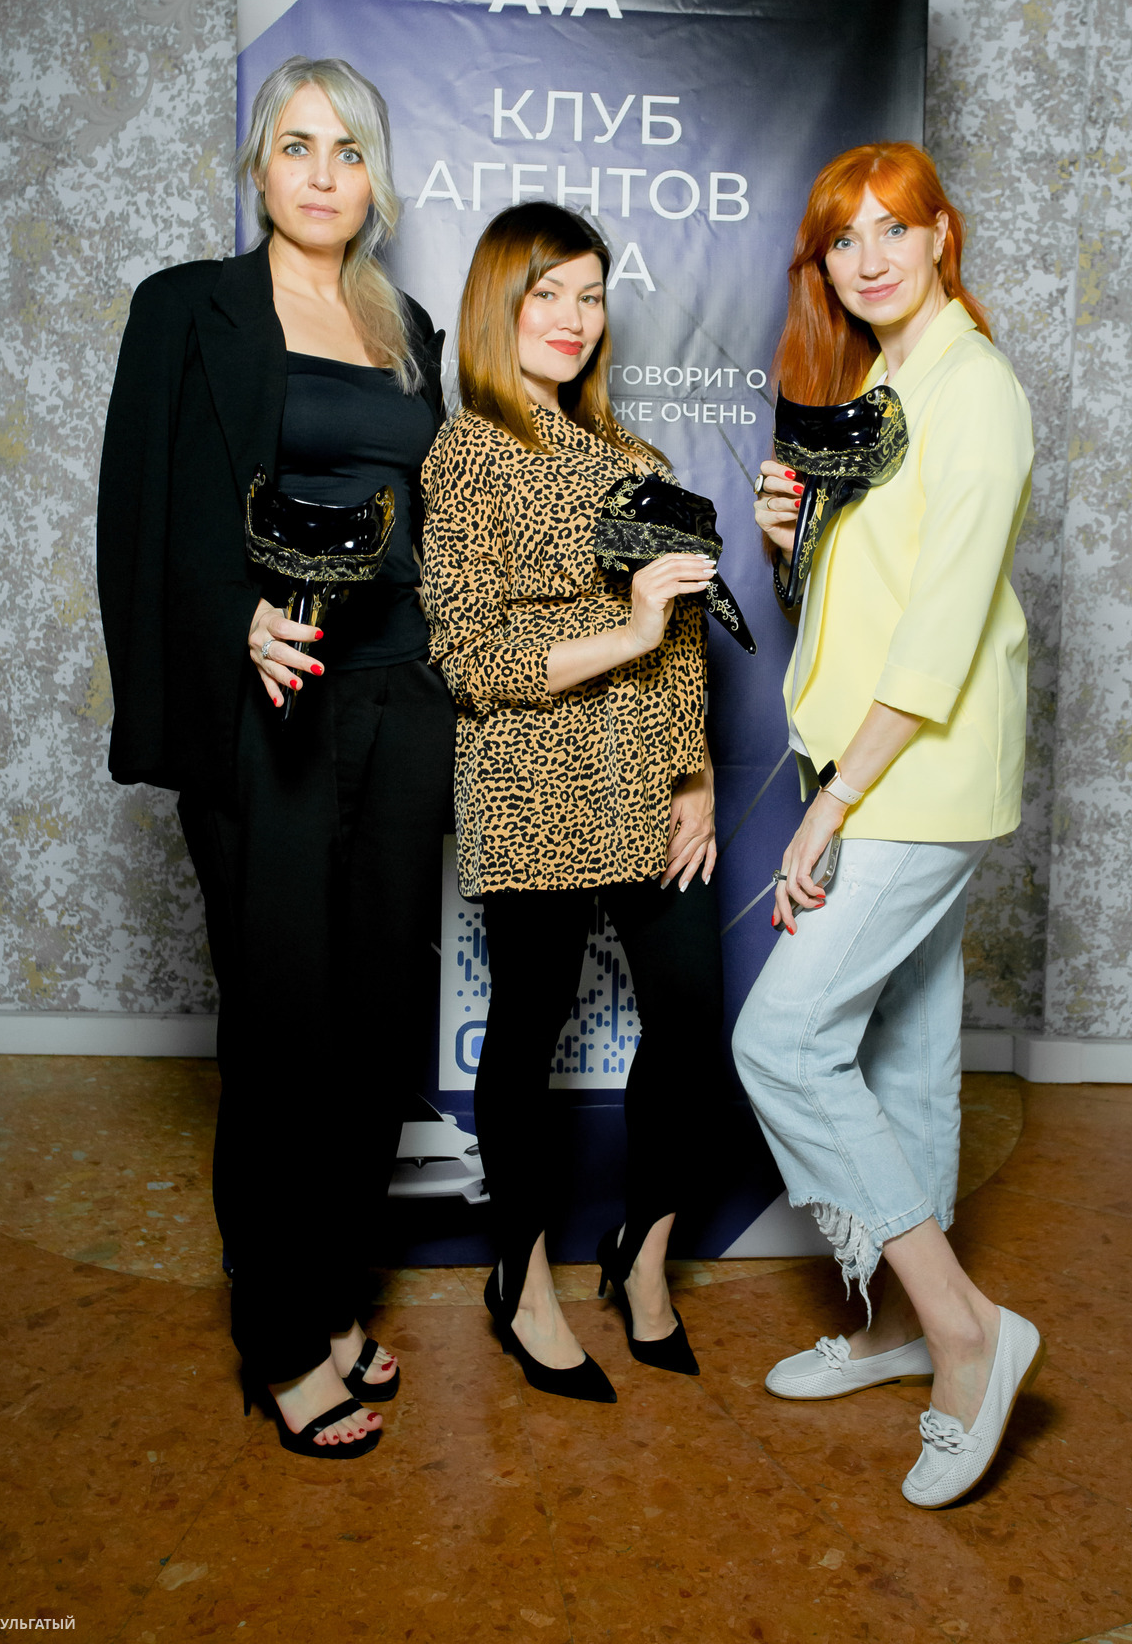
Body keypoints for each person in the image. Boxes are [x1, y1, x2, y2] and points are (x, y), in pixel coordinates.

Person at [97, 56, 455, 1458]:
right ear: (259, 167)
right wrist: (234, 615)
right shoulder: (187, 308)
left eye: (347, 150)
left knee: (376, 1031)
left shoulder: (405, 326)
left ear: (374, 180)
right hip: (269, 715)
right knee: (283, 1033)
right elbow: (143, 513)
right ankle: (280, 1338)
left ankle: (334, 1294)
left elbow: (430, 520)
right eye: (297, 145)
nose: (321, 173)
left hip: (399, 707)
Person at [732, 141, 1044, 1508]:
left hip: (911, 780)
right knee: (909, 1053)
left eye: (891, 230)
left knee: (783, 1042)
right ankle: (904, 1330)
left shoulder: (973, 390)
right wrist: (787, 539)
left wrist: (833, 804)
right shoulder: (881, 389)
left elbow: (939, 632)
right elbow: (859, 608)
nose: (867, 259)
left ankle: (969, 1333)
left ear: (939, 237)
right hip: (877, 766)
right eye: (841, 239)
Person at [421, 202, 723, 1403]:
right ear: (497, 304)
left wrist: (696, 776)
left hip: (646, 773)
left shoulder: (633, 457)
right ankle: (523, 1278)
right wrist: (626, 630)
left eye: (589, 296)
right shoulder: (467, 452)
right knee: (529, 1027)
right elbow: (468, 658)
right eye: (545, 292)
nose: (571, 317)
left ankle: (641, 1253)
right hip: (531, 777)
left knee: (690, 1022)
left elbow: (681, 639)